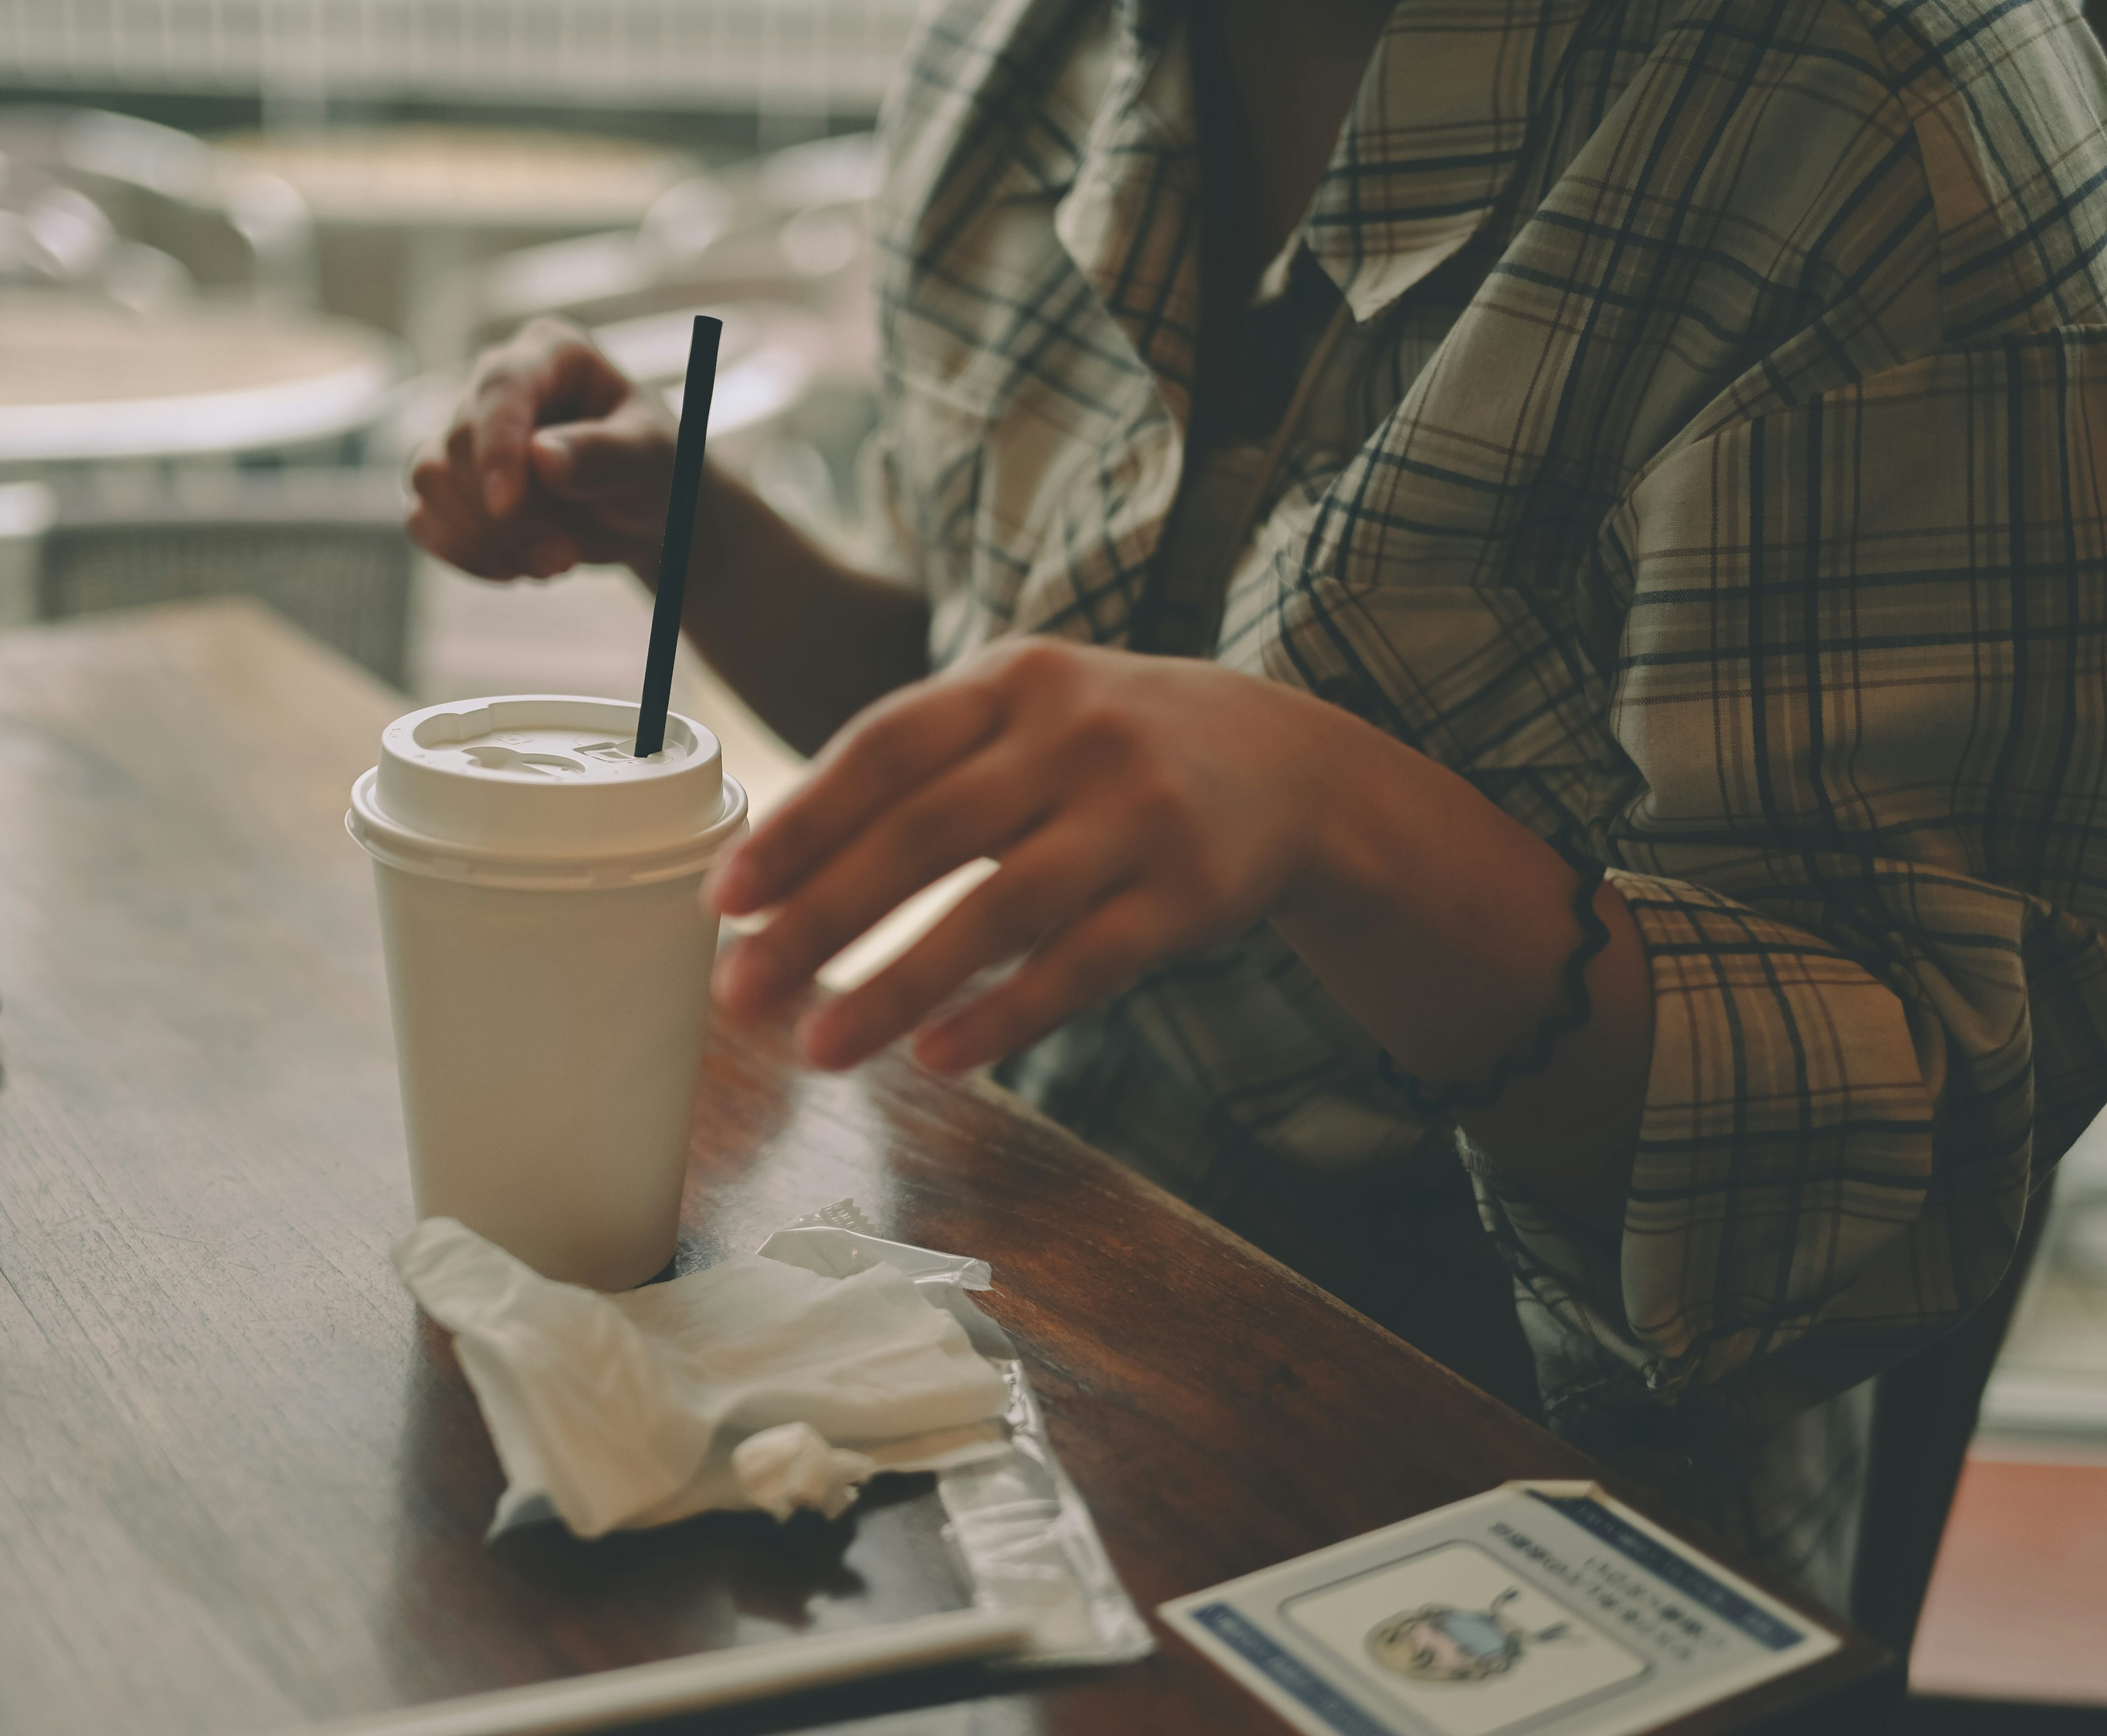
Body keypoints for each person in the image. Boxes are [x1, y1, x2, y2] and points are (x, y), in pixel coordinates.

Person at [408, 0, 2107, 1609]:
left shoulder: (1881, 120)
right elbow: (1000, 702)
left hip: (1524, 1509)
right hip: (1024, 1371)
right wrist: (683, 525)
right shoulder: (1027, 62)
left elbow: (1896, 1186)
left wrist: (1336, 813)